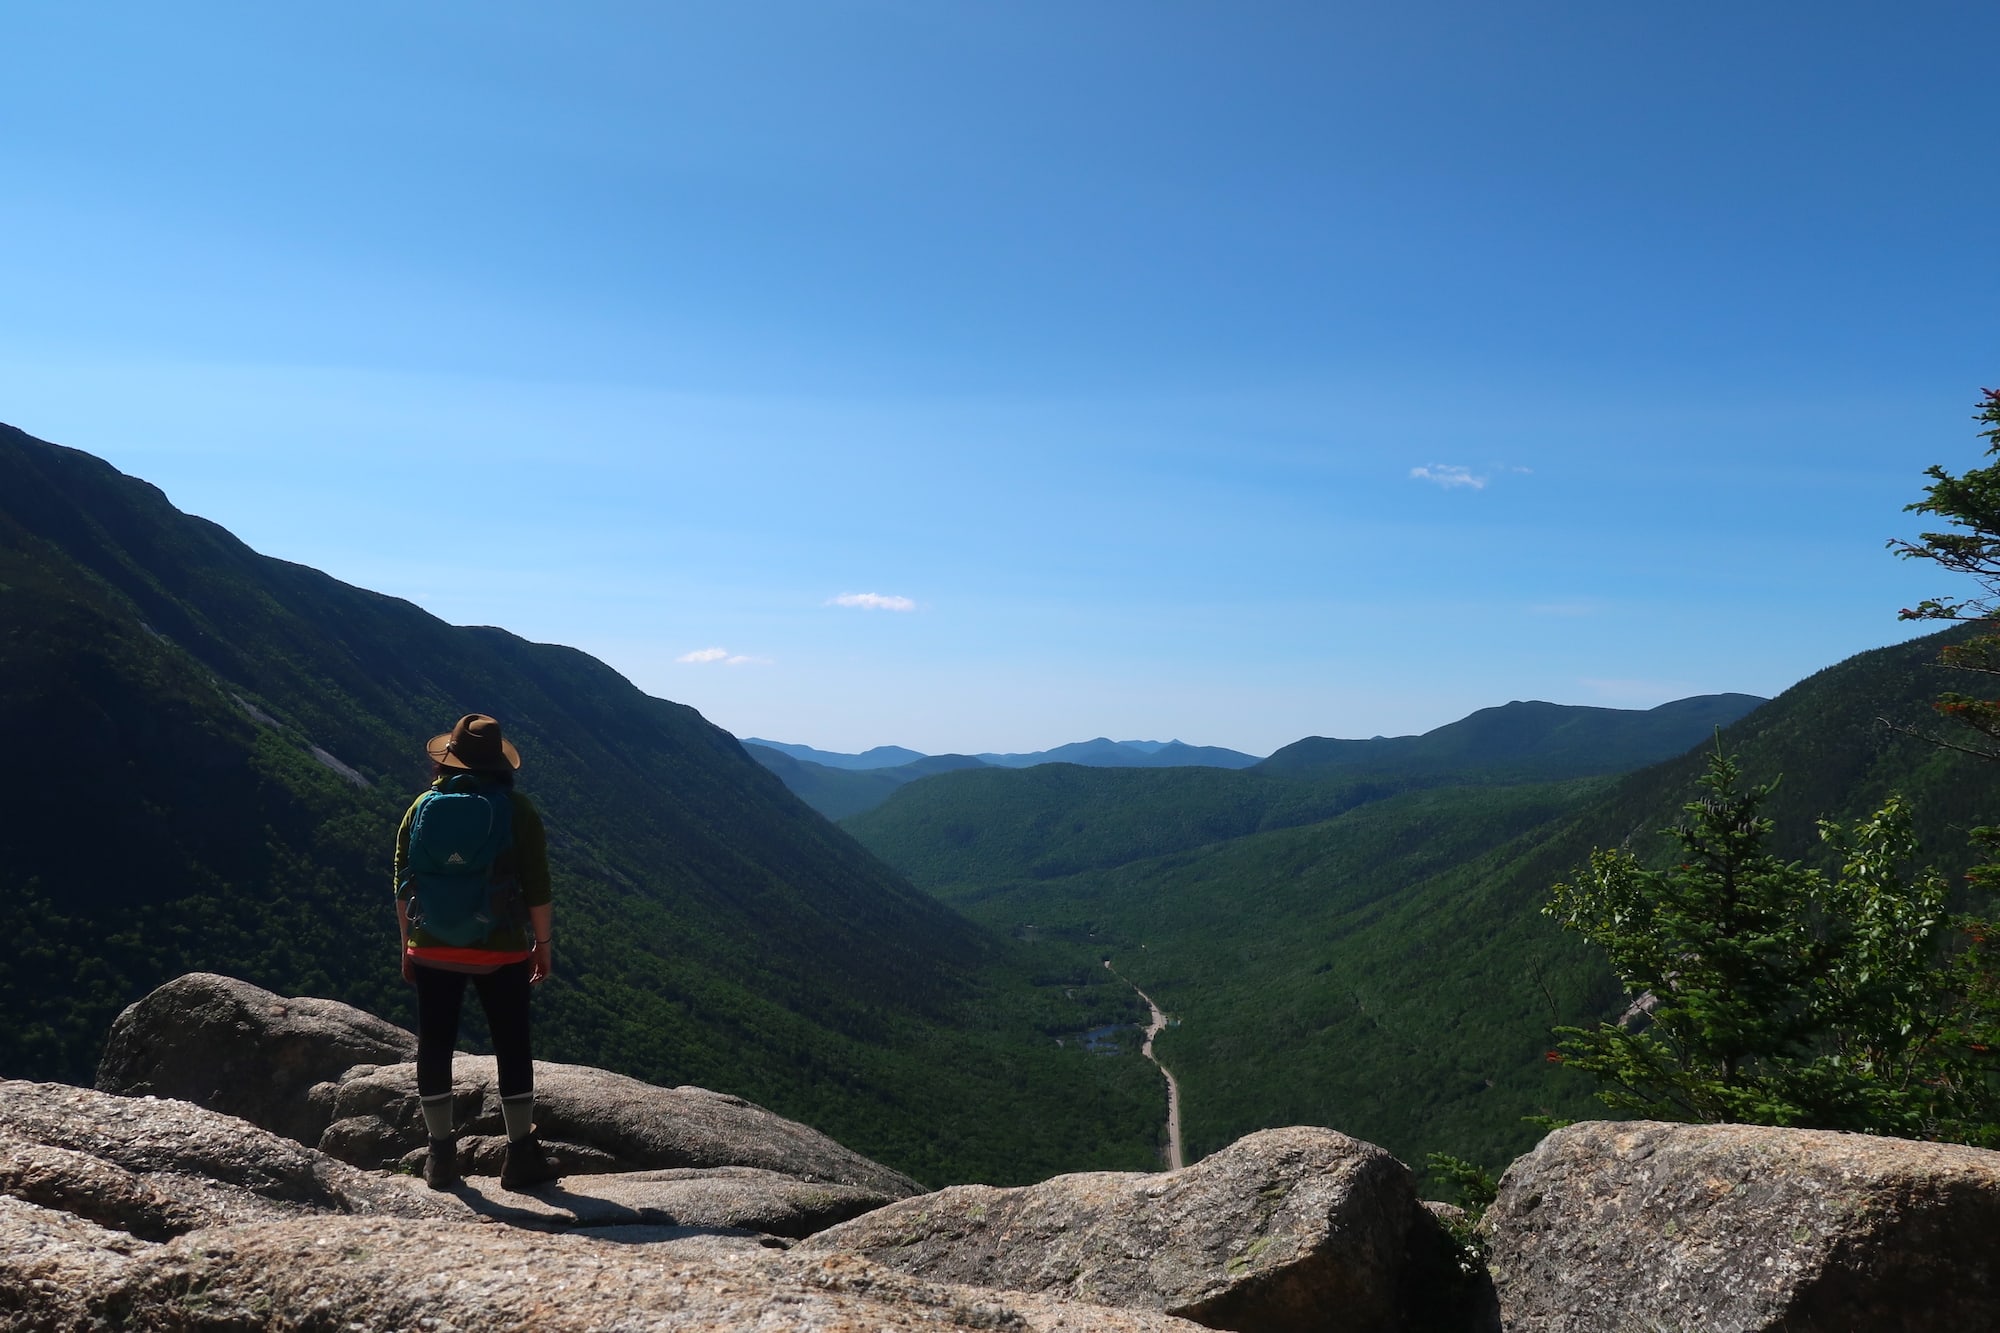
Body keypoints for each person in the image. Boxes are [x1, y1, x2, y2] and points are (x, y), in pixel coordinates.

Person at [394, 713, 558, 1191]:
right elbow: (538, 887)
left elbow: (404, 885)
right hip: (500, 947)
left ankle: (440, 1157)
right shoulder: (516, 809)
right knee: (511, 1044)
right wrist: (541, 945)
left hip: (432, 944)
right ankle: (520, 1156)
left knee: (435, 1044)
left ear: (449, 758)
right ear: (499, 763)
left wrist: (408, 943)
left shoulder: (422, 806)